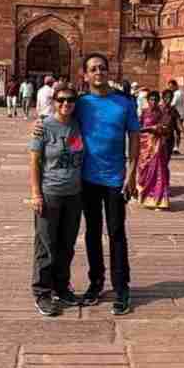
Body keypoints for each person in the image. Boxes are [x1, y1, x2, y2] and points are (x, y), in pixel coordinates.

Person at [34, 53, 140, 314]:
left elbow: (135, 137)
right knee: (92, 233)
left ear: (109, 71)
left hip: (115, 178)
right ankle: (96, 283)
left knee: (116, 233)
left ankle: (121, 288)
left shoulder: (124, 103)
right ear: (85, 75)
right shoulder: (81, 103)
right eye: (93, 69)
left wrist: (132, 173)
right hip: (86, 179)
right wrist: (40, 125)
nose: (99, 73)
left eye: (103, 68)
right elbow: (60, 116)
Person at [27, 83, 85, 317]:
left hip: (74, 194)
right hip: (50, 193)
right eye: (60, 100)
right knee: (46, 244)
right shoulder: (45, 126)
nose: (65, 104)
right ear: (54, 102)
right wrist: (35, 193)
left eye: (70, 100)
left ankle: (61, 286)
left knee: (66, 244)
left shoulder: (79, 124)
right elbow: (34, 161)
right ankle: (42, 292)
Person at [136, 90, 177, 210]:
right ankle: (145, 196)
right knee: (144, 171)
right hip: (145, 146)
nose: (153, 102)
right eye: (151, 99)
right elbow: (139, 128)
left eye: (155, 100)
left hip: (157, 146)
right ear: (147, 101)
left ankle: (159, 200)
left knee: (158, 172)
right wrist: (149, 128)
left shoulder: (161, 113)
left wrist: (159, 129)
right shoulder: (144, 112)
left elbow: (166, 129)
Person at [167, 80, 184, 153]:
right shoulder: (182, 92)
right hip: (181, 113)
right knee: (178, 131)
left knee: (172, 131)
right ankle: (176, 147)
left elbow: (173, 104)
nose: (171, 88)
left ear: (175, 85)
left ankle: (173, 147)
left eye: (171, 87)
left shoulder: (176, 93)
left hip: (175, 114)